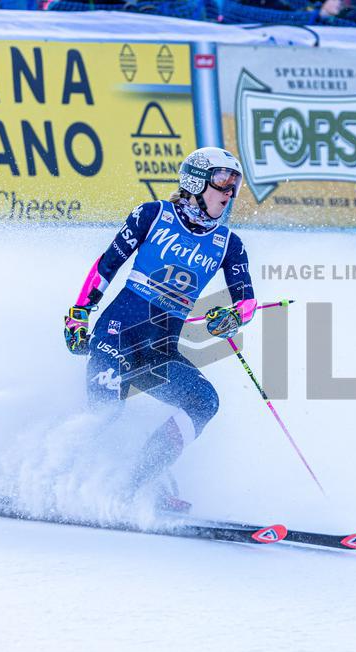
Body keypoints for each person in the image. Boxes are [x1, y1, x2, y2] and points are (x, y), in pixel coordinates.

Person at [63, 147, 257, 513]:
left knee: (204, 401)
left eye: (234, 185)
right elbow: (107, 265)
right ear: (195, 182)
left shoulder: (229, 244)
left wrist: (231, 318)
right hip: (116, 337)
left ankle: (136, 483)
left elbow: (246, 302)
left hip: (159, 351)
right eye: (222, 182)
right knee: (105, 414)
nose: (229, 193)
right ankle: (50, 477)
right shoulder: (153, 215)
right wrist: (79, 315)